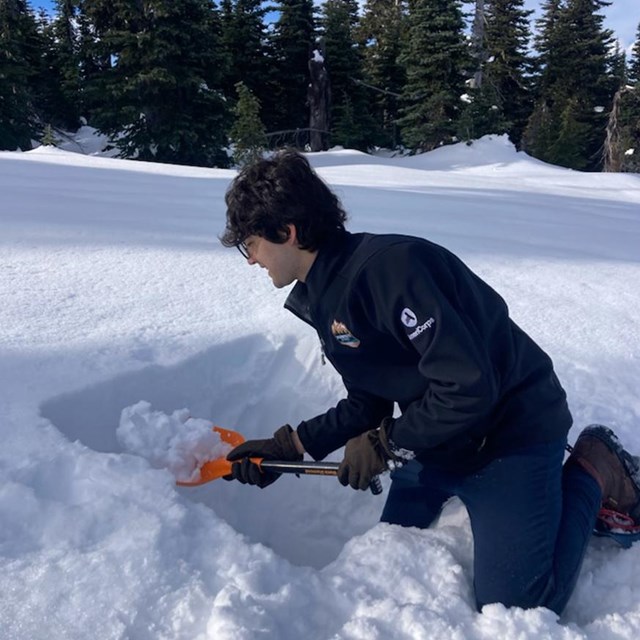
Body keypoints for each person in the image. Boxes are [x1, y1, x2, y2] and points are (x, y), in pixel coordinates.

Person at [220, 149, 640, 614]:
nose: (250, 259)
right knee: (390, 551)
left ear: (287, 232)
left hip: (512, 432)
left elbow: (468, 386)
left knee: (520, 604)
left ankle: (593, 469)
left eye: (250, 243)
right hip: (439, 438)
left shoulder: (394, 269)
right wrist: (291, 446)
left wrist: (387, 443)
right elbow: (368, 400)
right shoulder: (324, 296)